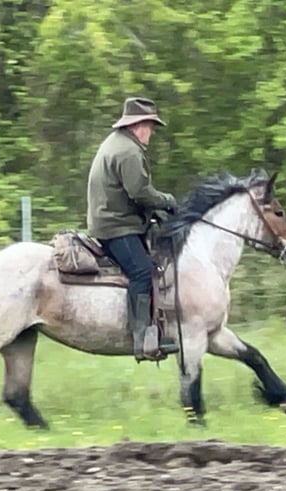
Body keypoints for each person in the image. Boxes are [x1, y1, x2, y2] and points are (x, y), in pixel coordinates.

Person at [87, 97, 179, 361]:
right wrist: (168, 201)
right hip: (116, 226)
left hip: (112, 219)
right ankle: (141, 339)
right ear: (139, 125)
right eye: (150, 125)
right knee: (142, 271)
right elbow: (139, 192)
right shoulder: (129, 151)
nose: (151, 132)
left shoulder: (116, 143)